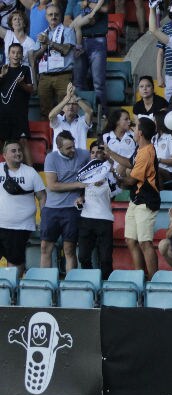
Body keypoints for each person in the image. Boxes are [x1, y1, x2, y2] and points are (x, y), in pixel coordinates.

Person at [110, 117, 160, 279]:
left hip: (146, 202)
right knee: (131, 240)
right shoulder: (140, 149)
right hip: (136, 200)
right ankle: (140, 277)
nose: (133, 129)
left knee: (145, 243)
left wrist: (116, 177)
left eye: (136, 127)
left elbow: (131, 180)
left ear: (140, 133)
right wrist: (109, 153)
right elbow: (129, 163)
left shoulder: (147, 152)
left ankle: (154, 281)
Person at [40, 131, 88, 271]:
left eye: (73, 146)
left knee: (69, 248)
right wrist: (78, 185)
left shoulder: (84, 155)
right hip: (51, 208)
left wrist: (83, 195)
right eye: (68, 148)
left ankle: (70, 285)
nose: (72, 150)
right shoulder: (51, 158)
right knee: (45, 247)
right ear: (59, 147)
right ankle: (44, 284)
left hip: (72, 209)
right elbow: (52, 185)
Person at [0, 140, 46, 277]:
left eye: (19, 150)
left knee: (15, 261)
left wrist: (44, 219)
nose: (18, 153)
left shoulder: (30, 172)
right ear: (4, 155)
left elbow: (42, 197)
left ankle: (12, 291)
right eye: (13, 151)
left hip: (20, 226)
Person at [75, 141, 117, 278]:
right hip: (86, 217)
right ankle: (90, 281)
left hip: (104, 219)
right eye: (92, 152)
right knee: (83, 256)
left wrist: (105, 181)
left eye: (98, 152)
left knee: (105, 259)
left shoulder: (110, 173)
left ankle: (106, 286)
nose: (95, 155)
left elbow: (116, 190)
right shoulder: (85, 174)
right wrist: (80, 199)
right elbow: (83, 192)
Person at [32, 3, 75, 116]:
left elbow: (66, 50)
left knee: (65, 110)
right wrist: (43, 48)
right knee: (45, 111)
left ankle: (63, 134)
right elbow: (34, 56)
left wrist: (50, 42)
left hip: (63, 76)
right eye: (50, 14)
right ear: (46, 17)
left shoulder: (68, 31)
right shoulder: (42, 35)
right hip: (45, 77)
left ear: (60, 16)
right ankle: (47, 133)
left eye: (56, 14)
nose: (53, 17)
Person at [65, 0, 107, 113]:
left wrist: (88, 4)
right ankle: (80, 114)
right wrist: (81, 21)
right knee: (78, 82)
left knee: (98, 82)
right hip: (79, 39)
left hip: (97, 39)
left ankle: (102, 113)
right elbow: (66, 20)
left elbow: (105, 9)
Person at [0, 42, 33, 159]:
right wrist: (1, 76)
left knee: (23, 141)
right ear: (8, 54)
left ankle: (33, 173)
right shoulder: (2, 69)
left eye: (18, 53)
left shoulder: (25, 69)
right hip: (3, 113)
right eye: (13, 52)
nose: (16, 55)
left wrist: (22, 84)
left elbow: (31, 89)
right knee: (2, 143)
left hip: (20, 113)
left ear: (22, 55)